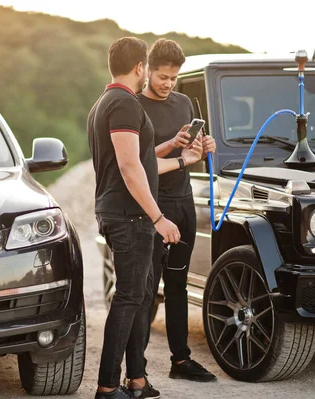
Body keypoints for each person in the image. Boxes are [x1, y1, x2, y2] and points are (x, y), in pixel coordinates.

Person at [88, 37, 205, 399]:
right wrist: (158, 217)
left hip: (120, 211)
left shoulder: (105, 102)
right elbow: (128, 166)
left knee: (136, 297)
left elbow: (139, 160)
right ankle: (108, 386)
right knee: (130, 297)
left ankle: (135, 380)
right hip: (129, 216)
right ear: (141, 67)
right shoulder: (124, 103)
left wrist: (177, 153)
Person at [137, 38, 217, 383]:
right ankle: (136, 369)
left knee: (177, 286)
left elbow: (194, 152)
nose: (168, 84)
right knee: (145, 288)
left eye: (173, 77)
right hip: (152, 206)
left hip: (183, 202)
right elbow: (137, 161)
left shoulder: (184, 103)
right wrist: (176, 153)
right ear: (148, 69)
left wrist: (206, 145)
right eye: (162, 76)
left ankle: (180, 361)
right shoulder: (134, 106)